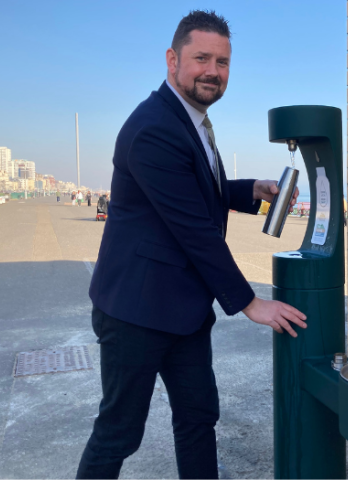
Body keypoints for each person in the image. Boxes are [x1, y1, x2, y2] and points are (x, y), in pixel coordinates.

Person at [76, 11, 305, 480]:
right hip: (135, 311)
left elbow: (200, 188)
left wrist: (249, 190)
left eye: (222, 62)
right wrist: (248, 303)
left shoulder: (192, 120)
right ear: (172, 59)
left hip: (183, 311)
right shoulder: (154, 127)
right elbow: (193, 228)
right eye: (201, 58)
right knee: (119, 432)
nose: (212, 71)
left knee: (199, 419)